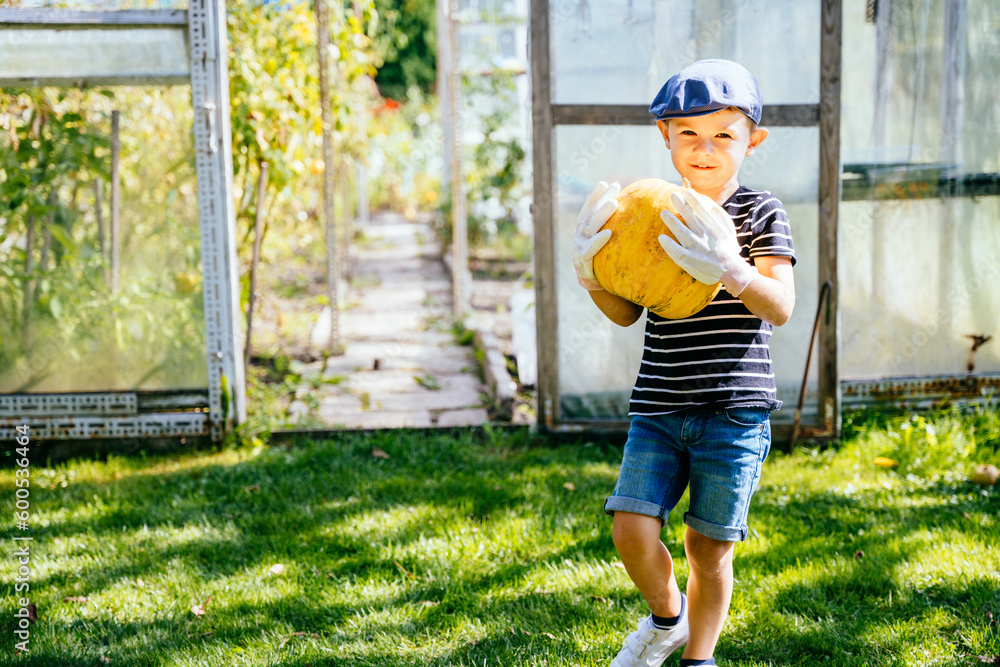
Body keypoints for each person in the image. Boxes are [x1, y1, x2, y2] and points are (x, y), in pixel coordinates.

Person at [571, 59, 796, 667]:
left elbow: (780, 306)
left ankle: (699, 657)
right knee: (630, 528)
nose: (705, 149)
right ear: (664, 138)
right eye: (688, 133)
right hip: (660, 404)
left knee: (709, 548)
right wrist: (592, 277)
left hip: (735, 409)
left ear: (754, 139)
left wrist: (734, 269)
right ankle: (665, 618)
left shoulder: (759, 211)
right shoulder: (647, 210)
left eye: (724, 133)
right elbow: (627, 314)